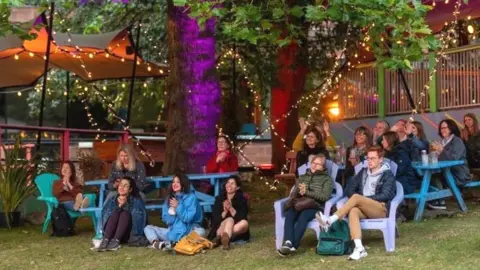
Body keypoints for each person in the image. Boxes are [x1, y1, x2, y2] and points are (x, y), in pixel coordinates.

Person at [316, 146, 396, 261]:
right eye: (368, 158)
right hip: (363, 208)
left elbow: (386, 195)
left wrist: (364, 199)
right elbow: (349, 190)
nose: (369, 161)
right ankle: (359, 248)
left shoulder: (387, 174)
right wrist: (360, 200)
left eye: (373, 158)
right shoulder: (363, 172)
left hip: (380, 208)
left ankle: (330, 220)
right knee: (353, 211)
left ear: (381, 159)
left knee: (357, 198)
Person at [277, 154, 333, 257]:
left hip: (315, 206)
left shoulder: (327, 179)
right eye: (313, 163)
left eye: (318, 164)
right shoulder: (302, 177)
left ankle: (294, 245)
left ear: (323, 167)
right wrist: (297, 191)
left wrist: (307, 192)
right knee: (290, 213)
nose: (314, 165)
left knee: (304, 215)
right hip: (300, 203)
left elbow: (324, 197)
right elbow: (294, 194)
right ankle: (289, 243)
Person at [144, 173, 205, 250]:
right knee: (148, 228)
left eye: (178, 182)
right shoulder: (169, 198)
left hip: (189, 230)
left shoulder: (191, 198)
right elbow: (167, 220)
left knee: (201, 232)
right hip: (173, 231)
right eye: (173, 182)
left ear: (183, 183)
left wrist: (178, 206)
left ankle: (174, 243)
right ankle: (156, 243)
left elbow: (188, 218)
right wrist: (171, 211)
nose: (174, 184)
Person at [96, 176, 147, 252]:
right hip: (111, 232)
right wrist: (119, 207)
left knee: (125, 214)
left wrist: (125, 205)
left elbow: (138, 220)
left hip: (128, 234)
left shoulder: (136, 201)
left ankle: (116, 241)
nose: (122, 187)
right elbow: (105, 217)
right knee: (116, 213)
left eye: (126, 186)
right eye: (120, 185)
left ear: (130, 189)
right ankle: (105, 240)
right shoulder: (112, 199)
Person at [208, 175, 249, 250]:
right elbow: (215, 220)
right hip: (220, 228)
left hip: (236, 229)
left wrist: (231, 208)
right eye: (228, 183)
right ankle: (225, 242)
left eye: (232, 183)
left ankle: (222, 238)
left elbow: (242, 217)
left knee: (244, 223)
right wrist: (225, 211)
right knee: (230, 219)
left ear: (237, 187)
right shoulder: (219, 198)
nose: (229, 185)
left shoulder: (242, 199)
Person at [432, 119, 471, 185]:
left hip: (459, 175)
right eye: (441, 128)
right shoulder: (442, 142)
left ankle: (447, 194)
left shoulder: (457, 141)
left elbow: (454, 158)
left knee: (435, 178)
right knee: (432, 178)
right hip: (447, 172)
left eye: (445, 128)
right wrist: (435, 154)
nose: (442, 130)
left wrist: (441, 150)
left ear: (451, 128)